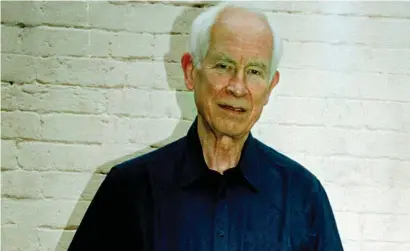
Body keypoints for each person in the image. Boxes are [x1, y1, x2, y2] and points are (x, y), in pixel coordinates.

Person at [68, 2, 344, 251]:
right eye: (223, 66)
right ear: (190, 71)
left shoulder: (304, 196)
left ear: (270, 88)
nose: (237, 87)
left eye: (255, 72)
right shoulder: (129, 190)